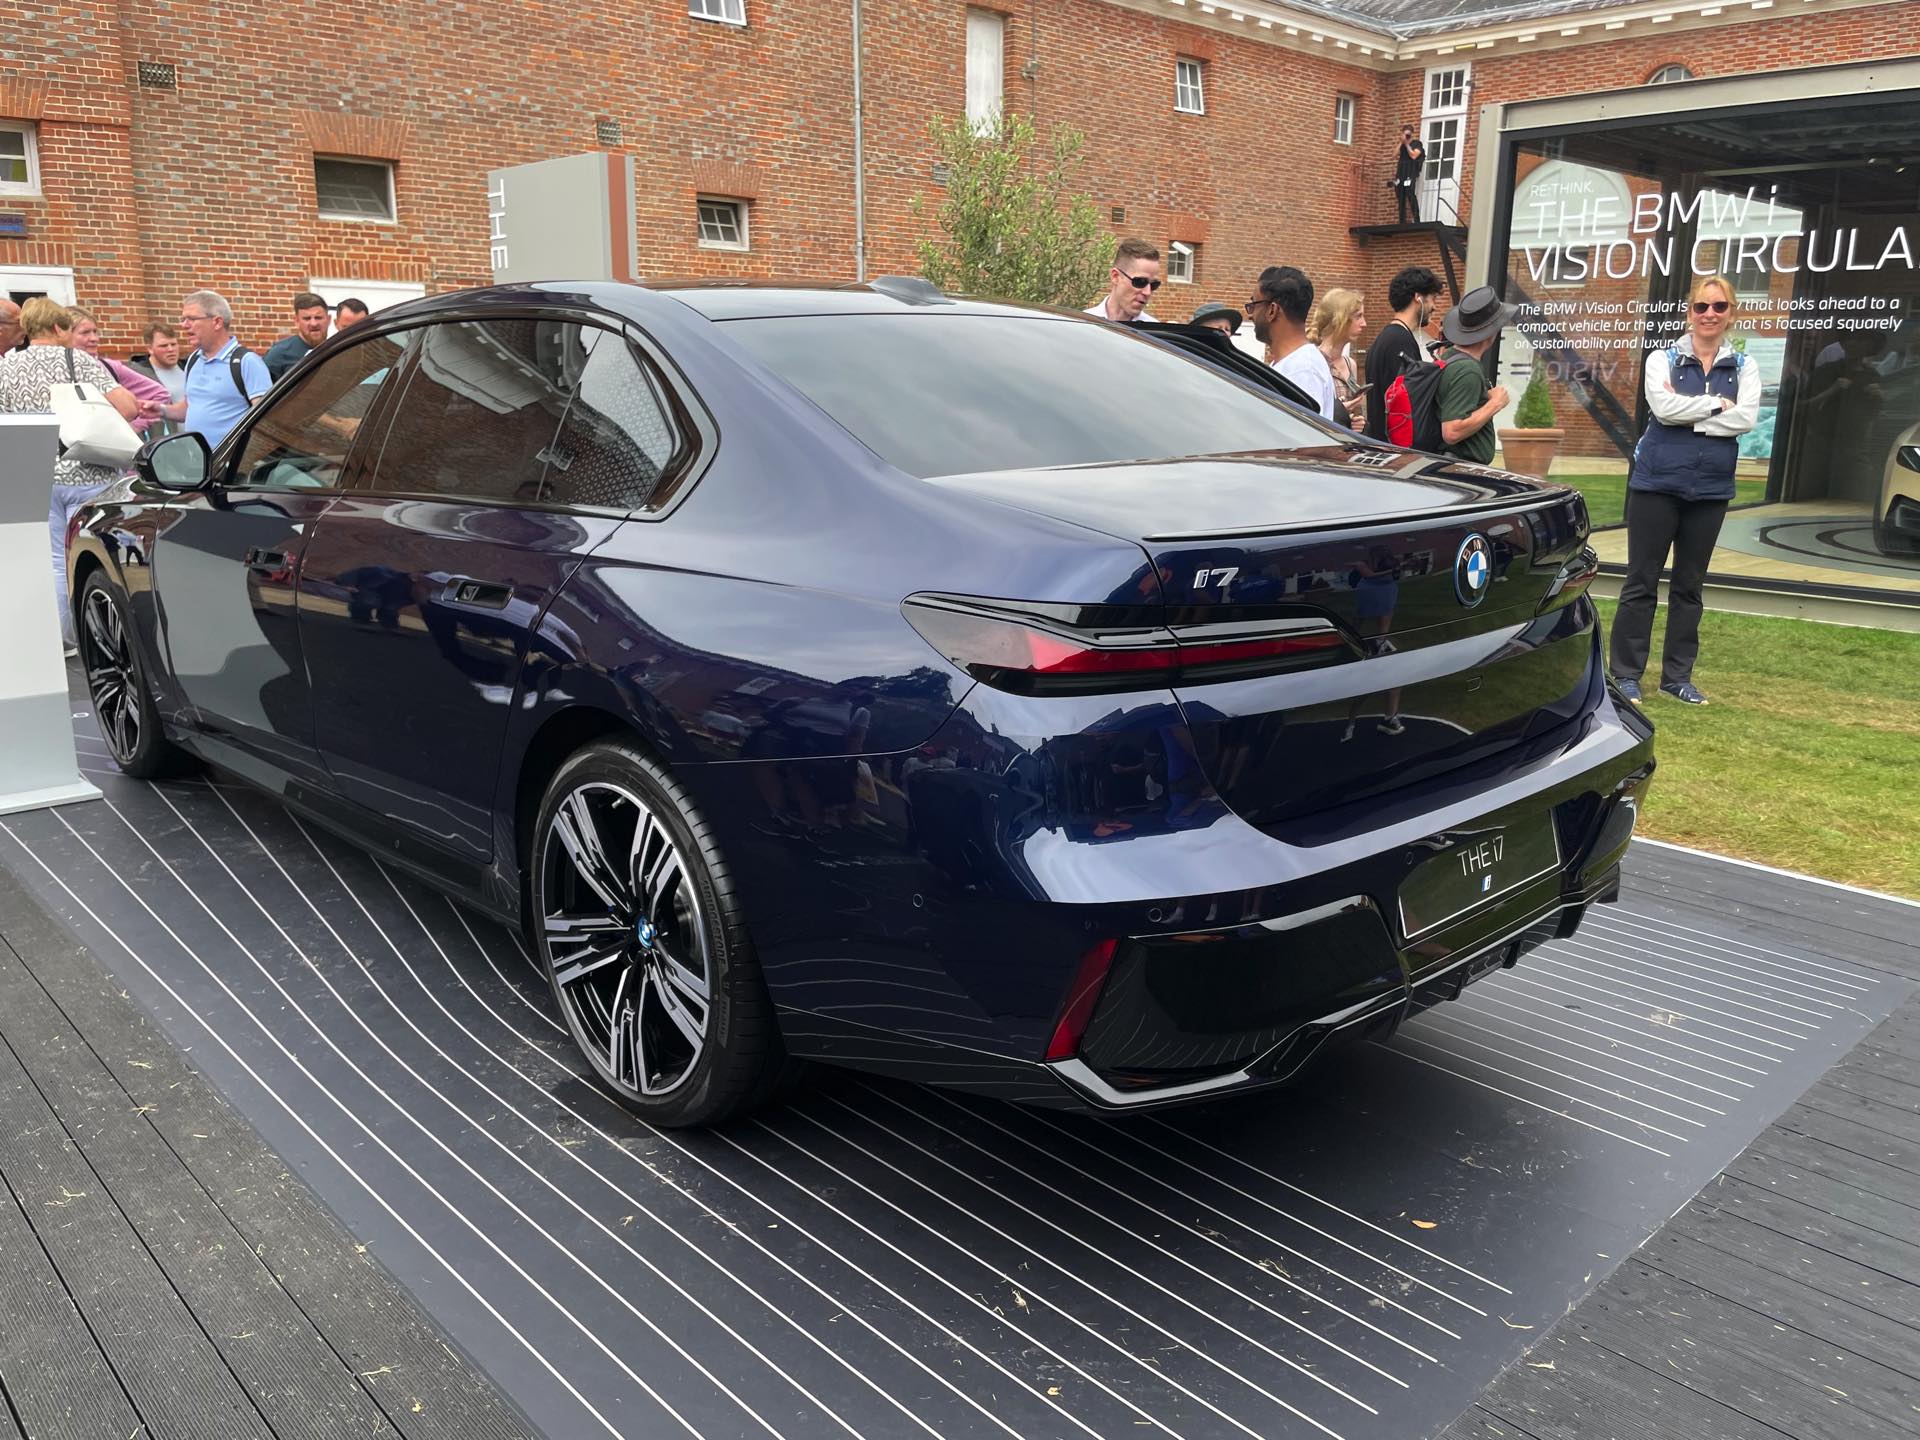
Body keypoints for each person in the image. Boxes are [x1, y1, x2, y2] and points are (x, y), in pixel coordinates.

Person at [1608, 274, 1760, 707]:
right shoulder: (1663, 359)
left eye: (1719, 306)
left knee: (1689, 586)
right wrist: (1715, 405)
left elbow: (1746, 419)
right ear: (1689, 312)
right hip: (1657, 485)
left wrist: (1689, 416)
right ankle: (1626, 674)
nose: (1709, 314)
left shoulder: (1744, 366)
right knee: (1641, 581)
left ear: (1731, 313)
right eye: (1701, 306)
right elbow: (1662, 408)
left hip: (1710, 490)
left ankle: (1677, 677)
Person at [0, 298, 148, 650]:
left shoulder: (7, 367)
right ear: (57, 328)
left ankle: (63, 640)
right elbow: (128, 407)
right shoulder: (78, 360)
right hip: (89, 473)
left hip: (37, 477)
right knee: (95, 557)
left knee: (55, 562)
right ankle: (99, 635)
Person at [159, 289, 272, 448]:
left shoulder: (247, 362)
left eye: (191, 319)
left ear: (217, 322)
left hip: (231, 462)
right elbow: (189, 408)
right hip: (198, 461)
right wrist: (161, 410)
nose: (183, 325)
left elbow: (265, 422)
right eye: (183, 319)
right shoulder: (193, 360)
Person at [1433, 286, 1516, 464]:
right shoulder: (1467, 371)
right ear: (1490, 333)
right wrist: (1495, 403)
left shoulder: (1449, 357)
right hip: (1460, 468)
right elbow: (1452, 431)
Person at [1248, 265, 1335, 421]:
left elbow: (1302, 432)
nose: (1250, 315)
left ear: (1272, 310)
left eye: (1254, 305)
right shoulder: (1293, 363)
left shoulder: (1302, 371)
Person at [1364, 266, 1442, 440]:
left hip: (1383, 443)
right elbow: (1411, 402)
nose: (1434, 307)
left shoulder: (1387, 337)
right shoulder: (1400, 341)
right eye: (1433, 298)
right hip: (1394, 447)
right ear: (1418, 297)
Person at [67, 307, 171, 435]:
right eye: (85, 333)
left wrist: (133, 427)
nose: (94, 338)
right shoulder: (53, 369)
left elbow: (160, 394)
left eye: (95, 332)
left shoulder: (108, 367)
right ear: (65, 335)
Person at [1310, 288, 1367, 429]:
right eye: (1358, 316)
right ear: (1340, 319)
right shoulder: (1314, 362)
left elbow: (1355, 415)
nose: (1364, 323)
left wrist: (1357, 423)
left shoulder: (1350, 364)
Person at [127, 320, 187, 436]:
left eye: (173, 344)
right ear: (150, 349)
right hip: (164, 441)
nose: (170, 349)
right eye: (163, 346)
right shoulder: (139, 375)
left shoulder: (189, 368)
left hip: (196, 439)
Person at [1084, 238, 1163, 324]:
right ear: (1116, 276)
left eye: (1154, 285)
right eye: (1140, 282)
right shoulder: (1083, 323)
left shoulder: (1155, 329)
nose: (1147, 292)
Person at [264, 291, 331, 380]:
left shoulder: (337, 349)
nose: (314, 323)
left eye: (318, 318)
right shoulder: (278, 354)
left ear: (328, 319)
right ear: (297, 321)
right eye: (307, 318)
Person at [1394, 125, 1426, 224]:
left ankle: (1416, 218)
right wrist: (1401, 142)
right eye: (1405, 134)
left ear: (1412, 134)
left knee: (1410, 192)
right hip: (1401, 172)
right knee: (1400, 194)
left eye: (1408, 135)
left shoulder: (1417, 144)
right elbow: (1393, 155)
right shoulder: (1402, 145)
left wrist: (1407, 144)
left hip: (1411, 172)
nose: (1406, 137)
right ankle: (1402, 220)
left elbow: (1413, 156)